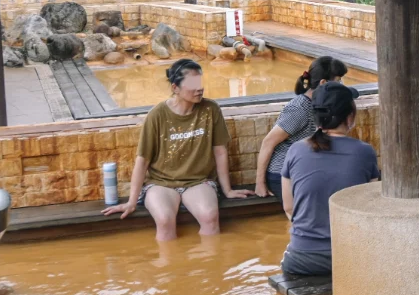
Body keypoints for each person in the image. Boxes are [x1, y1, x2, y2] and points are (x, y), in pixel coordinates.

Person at [103, 59, 253, 240]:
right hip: (160, 183)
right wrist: (131, 202)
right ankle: (169, 265)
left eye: (200, 83)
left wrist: (227, 190)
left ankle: (210, 265)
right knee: (165, 220)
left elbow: (220, 151)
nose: (199, 89)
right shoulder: (157, 115)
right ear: (175, 88)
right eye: (192, 84)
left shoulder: (210, 109)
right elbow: (142, 161)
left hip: (198, 181)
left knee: (210, 217)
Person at [280, 82, 380, 276]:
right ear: (350, 117)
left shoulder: (296, 150)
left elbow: (289, 208)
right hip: (351, 256)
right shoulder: (364, 152)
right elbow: (371, 209)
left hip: (302, 258)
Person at [255, 56, 348, 199]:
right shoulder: (299, 108)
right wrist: (259, 183)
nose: (342, 84)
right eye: (338, 80)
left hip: (306, 170)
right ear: (323, 83)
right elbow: (268, 142)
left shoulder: (323, 104)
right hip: (283, 175)